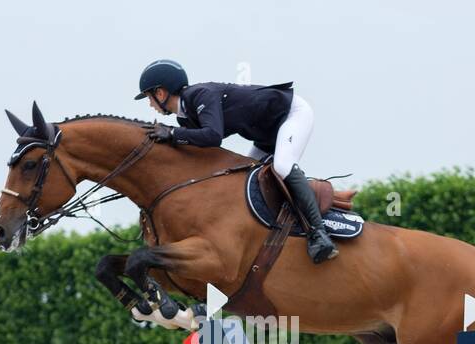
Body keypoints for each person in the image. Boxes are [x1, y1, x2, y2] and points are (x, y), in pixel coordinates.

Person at [134, 59, 338, 264]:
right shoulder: (184, 118)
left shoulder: (200, 95)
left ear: (160, 93)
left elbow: (213, 136)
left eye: (149, 98)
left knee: (283, 166)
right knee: (244, 178)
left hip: (291, 115)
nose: (150, 104)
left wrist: (172, 133)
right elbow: (203, 151)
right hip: (265, 135)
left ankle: (319, 233)